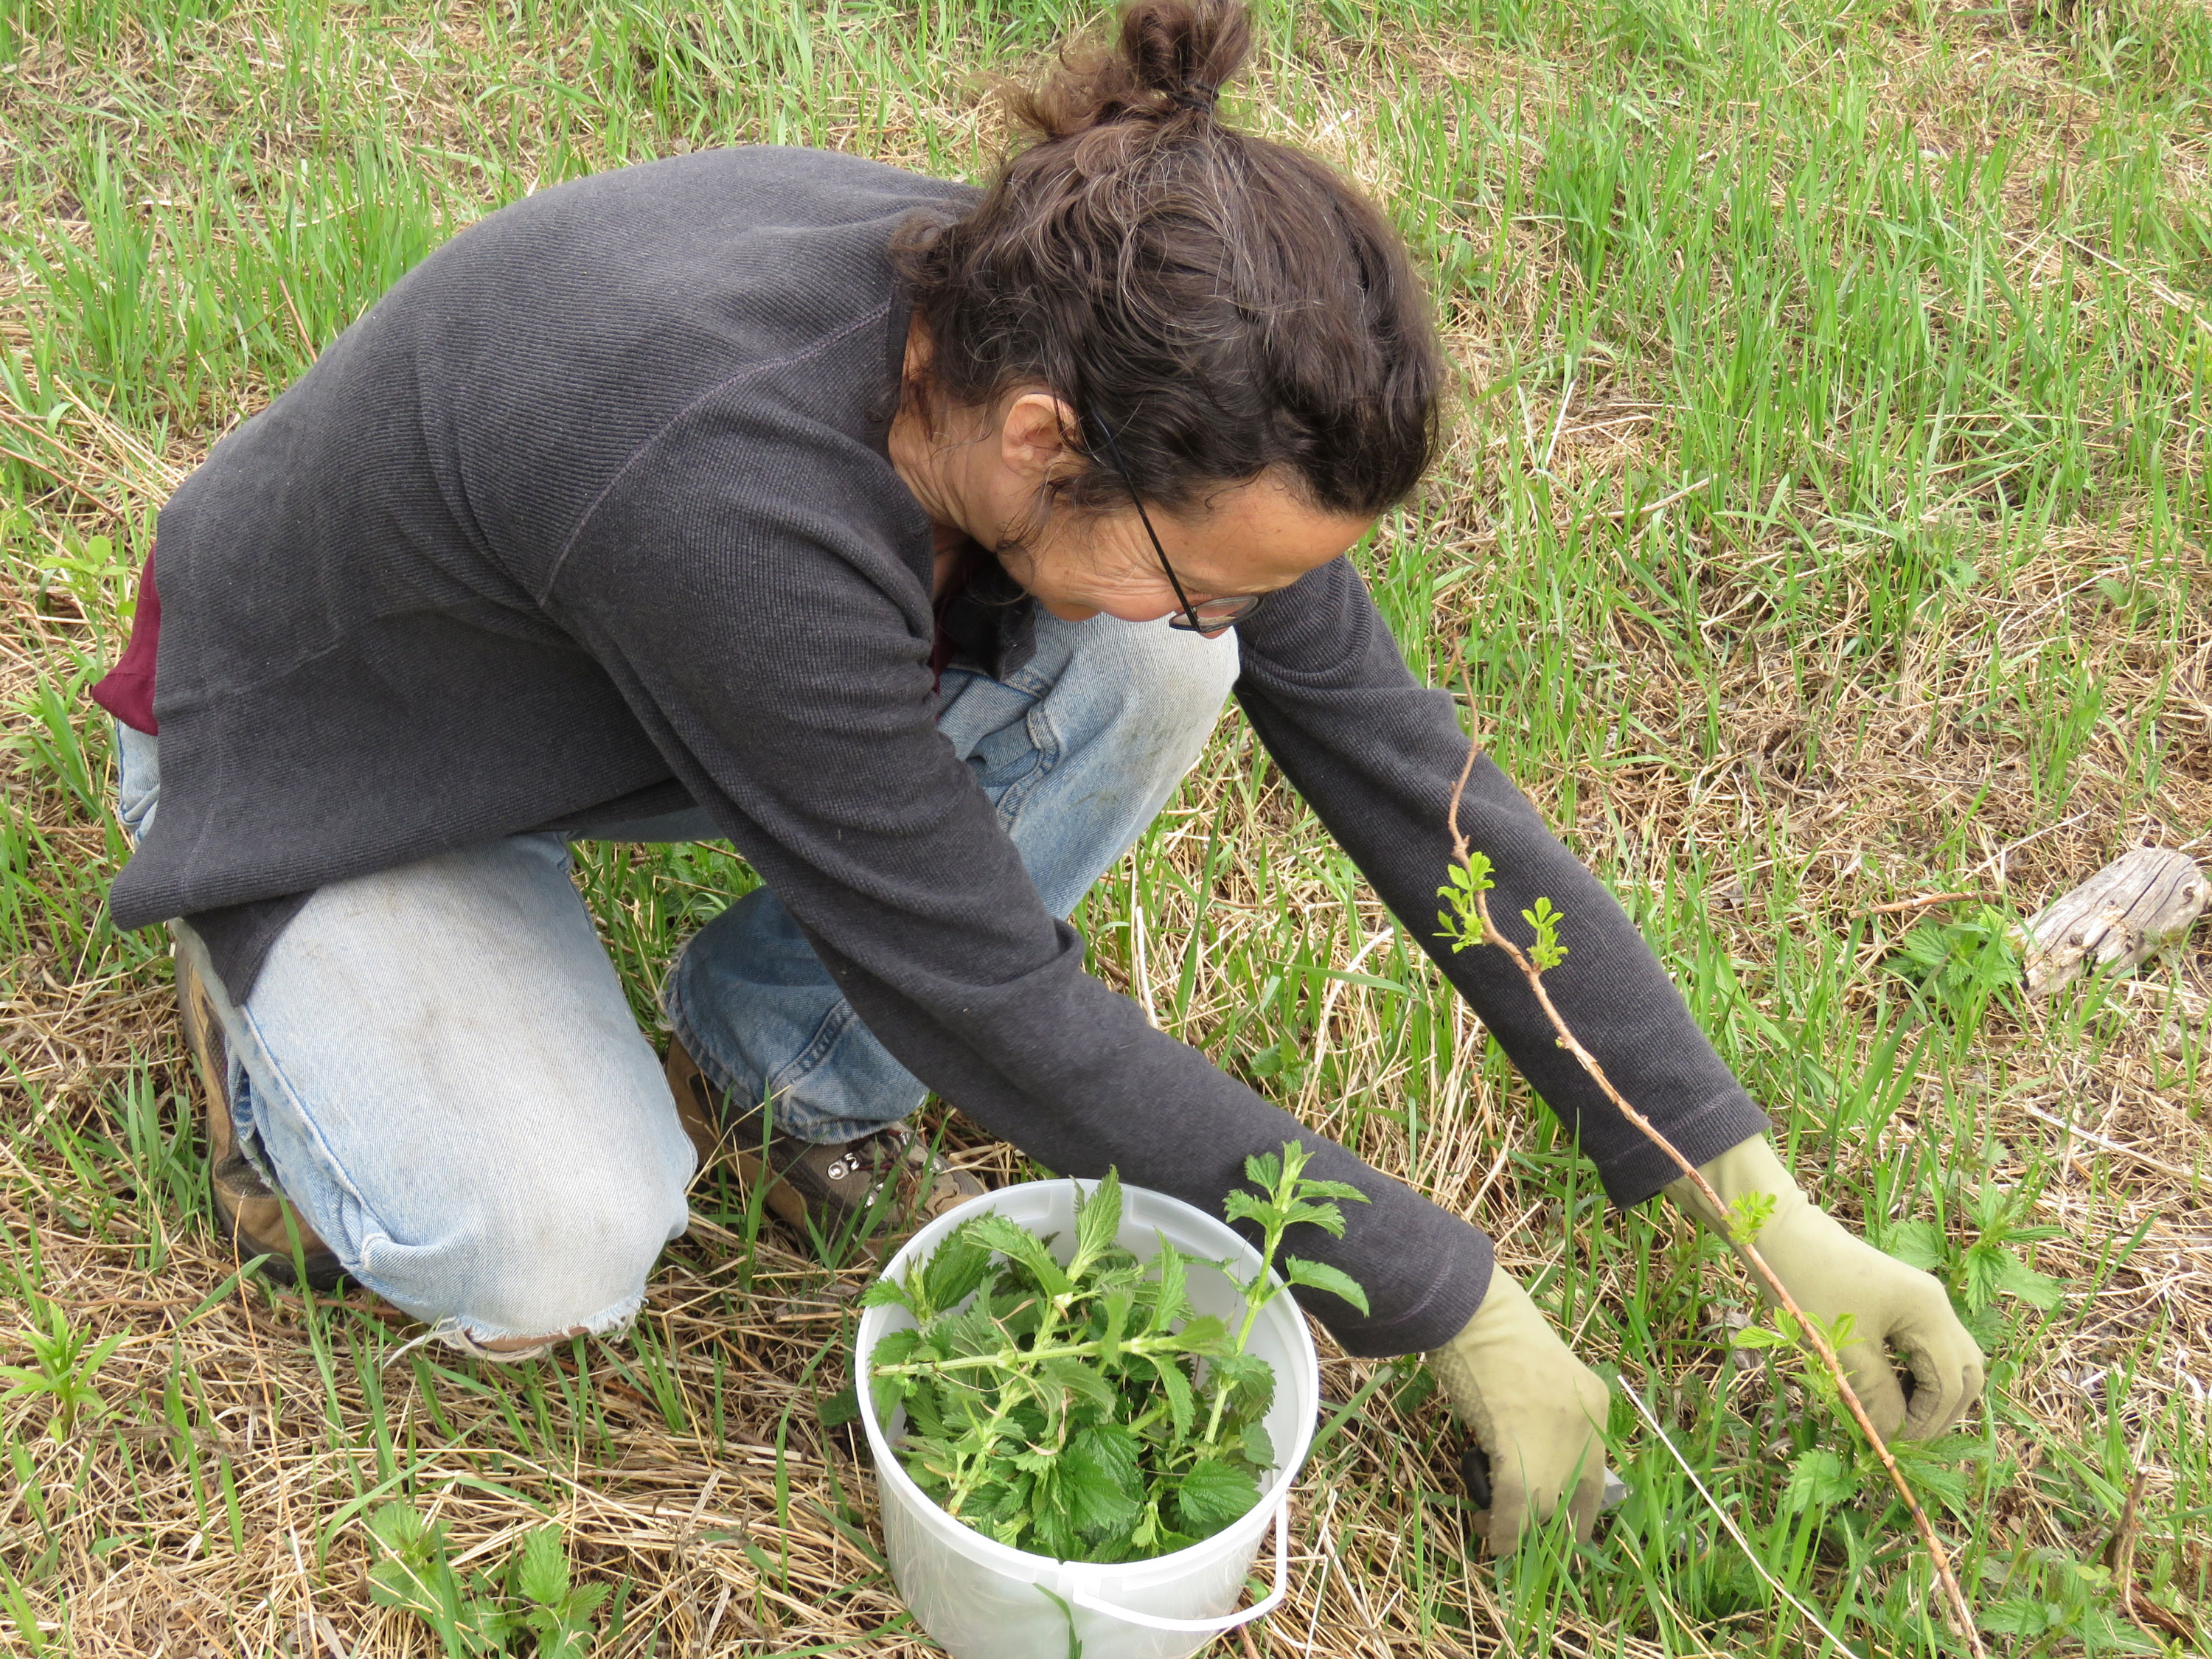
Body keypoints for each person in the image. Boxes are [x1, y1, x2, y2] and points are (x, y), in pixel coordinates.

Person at [91, 0, 1982, 1551]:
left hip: (595, 690)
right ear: (1040, 439)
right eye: (1202, 564)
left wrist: (1750, 1198)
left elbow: (1416, 782)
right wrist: (1448, 1297)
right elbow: (994, 1004)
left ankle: (783, 1067)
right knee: (552, 1241)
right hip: (326, 748)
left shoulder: (1102, 350)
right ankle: (265, 997)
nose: (1233, 618)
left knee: (1162, 653)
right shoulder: (727, 494)